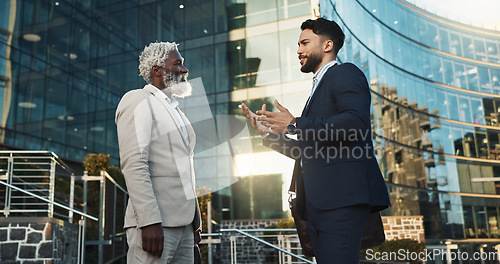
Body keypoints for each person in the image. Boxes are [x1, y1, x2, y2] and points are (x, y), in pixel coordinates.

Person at [241, 18, 390, 263]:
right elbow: (308, 151)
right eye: (299, 44)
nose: (299, 50)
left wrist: (295, 124)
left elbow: (355, 123)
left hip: (341, 201)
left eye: (305, 43)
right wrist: (267, 135)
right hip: (317, 204)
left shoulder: (345, 73)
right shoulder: (317, 89)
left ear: (328, 45)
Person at [116, 42, 201, 263]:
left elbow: (185, 171)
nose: (184, 70)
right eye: (178, 63)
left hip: (184, 226)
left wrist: (195, 223)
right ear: (156, 70)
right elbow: (134, 163)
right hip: (156, 226)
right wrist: (149, 221)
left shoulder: (177, 111)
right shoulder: (137, 100)